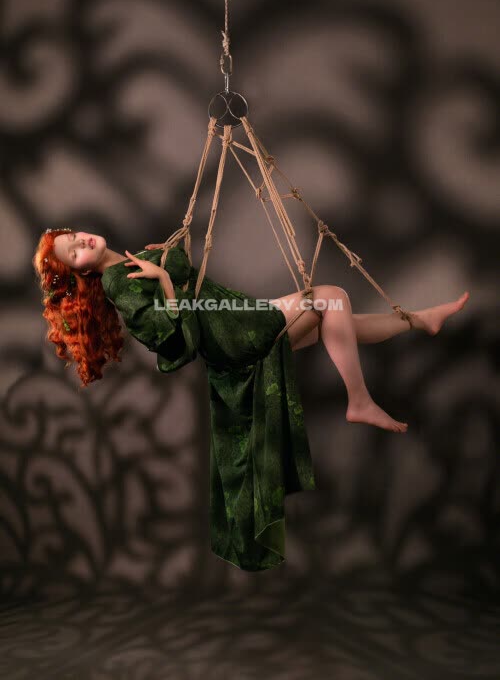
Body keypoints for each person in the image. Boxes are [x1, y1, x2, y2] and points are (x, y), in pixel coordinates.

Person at [33, 228, 470, 571]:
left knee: (336, 322)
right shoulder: (119, 283)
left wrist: (164, 259)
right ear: (81, 273)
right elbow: (169, 340)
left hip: (234, 316)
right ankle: (359, 401)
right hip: (231, 331)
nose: (83, 243)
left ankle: (421, 320)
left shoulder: (127, 263)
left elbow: (185, 282)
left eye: (75, 237)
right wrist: (164, 278)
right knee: (331, 297)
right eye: (75, 253)